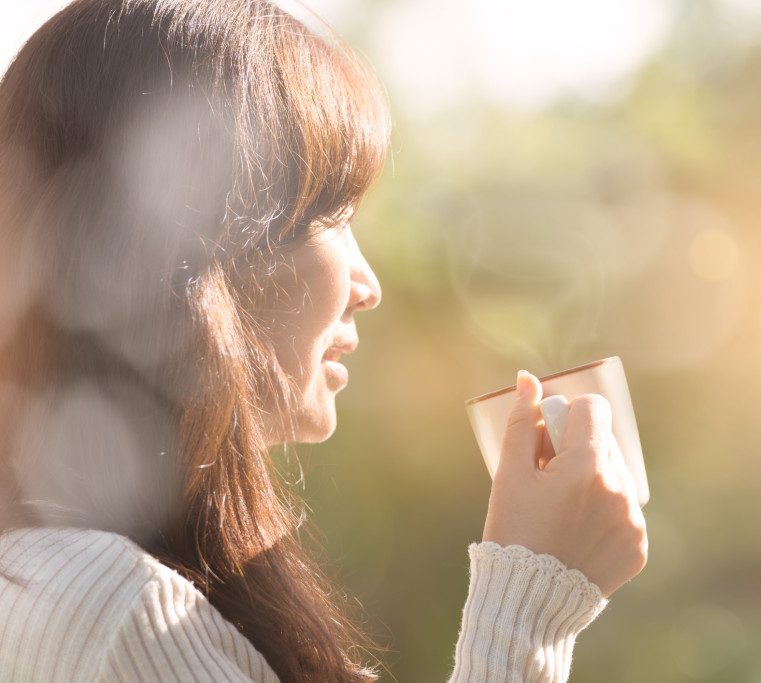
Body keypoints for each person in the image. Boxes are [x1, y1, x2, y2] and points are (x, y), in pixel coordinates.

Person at [0, 0, 649, 680]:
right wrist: (532, 598)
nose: (367, 284)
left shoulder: (94, 581)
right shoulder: (111, 610)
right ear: (203, 250)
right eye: (331, 217)